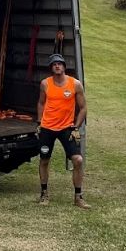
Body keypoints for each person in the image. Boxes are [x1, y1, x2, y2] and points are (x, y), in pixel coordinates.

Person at [36, 53, 89, 209]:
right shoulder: (45, 84)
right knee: (44, 160)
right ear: (51, 68)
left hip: (67, 128)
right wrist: (39, 122)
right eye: (54, 64)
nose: (57, 66)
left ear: (64, 66)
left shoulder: (75, 84)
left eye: (60, 63)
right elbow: (40, 103)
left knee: (78, 160)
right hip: (47, 128)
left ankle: (78, 197)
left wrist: (76, 126)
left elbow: (83, 108)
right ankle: (44, 194)